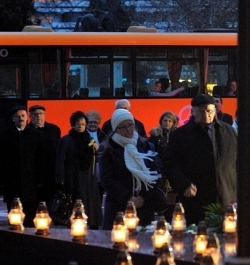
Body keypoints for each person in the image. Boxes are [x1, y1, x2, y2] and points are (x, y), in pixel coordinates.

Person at [161, 94, 237, 225]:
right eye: (202, 111)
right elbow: (169, 165)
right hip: (196, 198)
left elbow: (240, 162)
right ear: (193, 111)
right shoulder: (180, 135)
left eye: (210, 111)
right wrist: (183, 184)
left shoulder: (228, 131)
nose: (206, 115)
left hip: (227, 195)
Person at [98, 109, 162, 229]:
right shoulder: (108, 149)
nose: (128, 129)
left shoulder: (146, 145)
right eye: (122, 127)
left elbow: (155, 174)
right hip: (118, 206)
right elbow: (106, 178)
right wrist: (128, 197)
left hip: (144, 205)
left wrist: (142, 197)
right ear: (116, 129)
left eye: (130, 125)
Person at [0, 106, 44, 227]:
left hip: (31, 183)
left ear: (27, 117)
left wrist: (40, 179)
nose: (21, 118)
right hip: (12, 183)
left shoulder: (36, 135)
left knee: (30, 216)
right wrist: (1, 179)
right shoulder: (5, 135)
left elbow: (41, 159)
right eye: (18, 116)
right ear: (13, 119)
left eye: (23, 115)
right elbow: (0, 158)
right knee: (14, 215)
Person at [56, 111, 103, 229]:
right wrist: (60, 179)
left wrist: (95, 150)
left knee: (90, 202)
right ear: (72, 125)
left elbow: (94, 159)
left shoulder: (90, 140)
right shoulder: (66, 139)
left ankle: (92, 223)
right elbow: (60, 160)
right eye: (77, 124)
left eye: (83, 124)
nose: (80, 126)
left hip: (88, 177)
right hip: (73, 177)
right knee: (76, 202)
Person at [28, 104, 61, 204]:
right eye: (35, 114)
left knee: (50, 204)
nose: (38, 116)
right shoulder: (27, 131)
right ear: (30, 116)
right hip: (33, 174)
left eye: (41, 114)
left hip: (50, 173)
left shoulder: (54, 129)